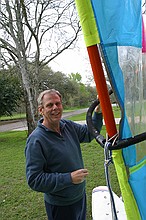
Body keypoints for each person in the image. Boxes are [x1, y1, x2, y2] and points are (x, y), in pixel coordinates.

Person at [25, 89, 103, 220]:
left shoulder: (67, 126)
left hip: (79, 196)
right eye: (50, 105)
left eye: (58, 103)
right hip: (60, 206)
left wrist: (98, 111)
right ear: (41, 110)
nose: (55, 108)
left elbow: (89, 133)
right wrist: (69, 178)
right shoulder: (36, 140)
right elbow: (34, 179)